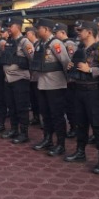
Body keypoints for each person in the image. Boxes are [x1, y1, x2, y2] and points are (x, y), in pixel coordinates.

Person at [64, 21, 99, 174]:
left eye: (81, 30)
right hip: (79, 90)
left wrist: (90, 70)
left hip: (95, 91)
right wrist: (71, 67)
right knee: (81, 123)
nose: (78, 32)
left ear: (90, 32)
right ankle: (80, 152)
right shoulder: (80, 48)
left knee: (98, 125)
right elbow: (76, 66)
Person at [31, 18, 70, 155]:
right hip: (42, 84)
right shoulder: (40, 44)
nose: (36, 30)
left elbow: (66, 63)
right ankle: (47, 139)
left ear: (46, 29)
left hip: (55, 85)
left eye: (39, 28)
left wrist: (68, 82)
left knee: (57, 115)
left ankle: (60, 144)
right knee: (45, 114)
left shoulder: (56, 44)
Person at [0, 17, 34, 143]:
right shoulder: (9, 41)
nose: (8, 28)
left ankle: (24, 133)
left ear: (18, 27)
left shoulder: (25, 42)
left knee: (21, 107)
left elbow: (33, 59)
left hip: (20, 80)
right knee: (11, 106)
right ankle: (14, 129)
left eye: (11, 26)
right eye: (8, 26)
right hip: (8, 79)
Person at [53, 22, 78, 138]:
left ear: (63, 32)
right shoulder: (59, 44)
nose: (54, 35)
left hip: (70, 80)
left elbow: (69, 61)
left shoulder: (69, 44)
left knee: (70, 105)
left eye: (56, 32)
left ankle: (74, 127)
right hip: (63, 79)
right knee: (65, 105)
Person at [25, 27, 41, 127]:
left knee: (39, 99)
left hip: (38, 77)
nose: (26, 36)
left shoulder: (39, 45)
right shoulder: (29, 45)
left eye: (27, 34)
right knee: (33, 99)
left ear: (32, 34)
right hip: (30, 76)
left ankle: (42, 119)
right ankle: (36, 117)